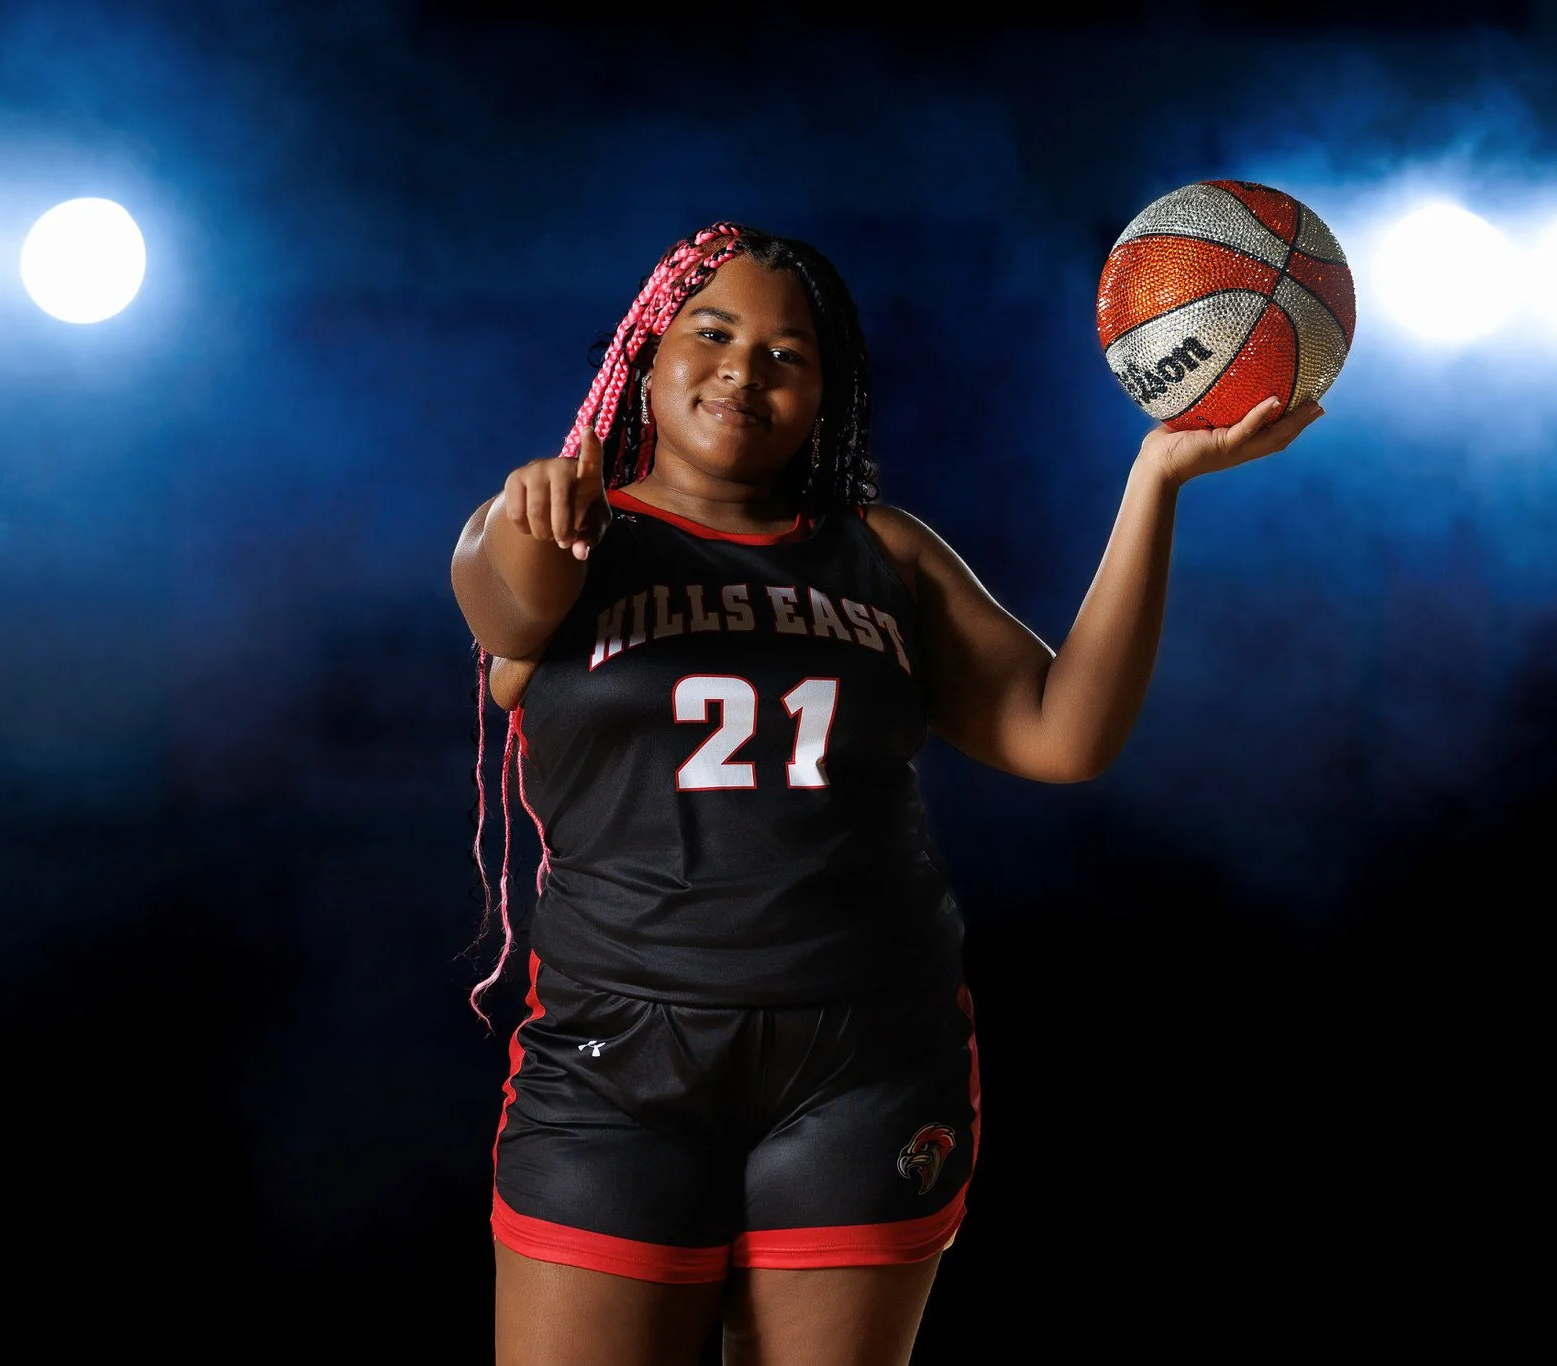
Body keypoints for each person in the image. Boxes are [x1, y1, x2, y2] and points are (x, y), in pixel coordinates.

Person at [449, 221, 1322, 1366]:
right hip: (618, 1057)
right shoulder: (565, 533)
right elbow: (506, 613)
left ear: (825, 391)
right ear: (647, 353)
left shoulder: (884, 551)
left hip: (863, 1053)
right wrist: (535, 505)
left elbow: (1062, 734)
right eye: (711, 334)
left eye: (785, 354)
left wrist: (1152, 483)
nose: (742, 370)